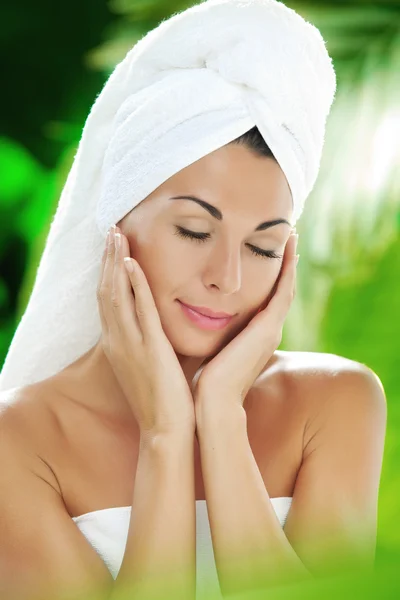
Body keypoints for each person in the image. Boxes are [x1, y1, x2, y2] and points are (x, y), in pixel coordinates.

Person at [0, 1, 387, 600]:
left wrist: (222, 417)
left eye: (263, 246)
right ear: (116, 223)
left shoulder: (334, 404)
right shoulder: (19, 441)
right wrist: (165, 434)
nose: (226, 277)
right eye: (194, 231)